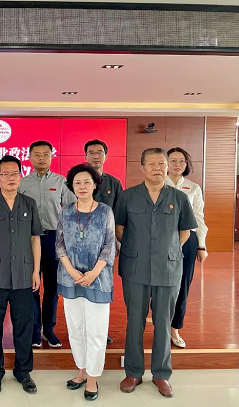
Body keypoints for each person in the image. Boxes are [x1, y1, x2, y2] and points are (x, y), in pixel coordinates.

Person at [115, 148, 196, 398]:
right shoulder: (128, 196)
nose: (157, 168)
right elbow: (119, 229)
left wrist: (167, 251)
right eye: (151, 163)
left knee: (163, 323)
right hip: (135, 269)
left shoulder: (179, 197)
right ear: (142, 168)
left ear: (167, 167)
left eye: (161, 163)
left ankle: (161, 374)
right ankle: (133, 372)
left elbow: (185, 232)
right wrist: (137, 250)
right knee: (134, 322)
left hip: (168, 270)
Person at [0, 155, 41, 395]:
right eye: (6, 174)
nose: (11, 178)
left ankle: (23, 371)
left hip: (24, 274)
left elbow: (35, 239)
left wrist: (36, 271)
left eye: (15, 173)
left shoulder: (29, 204)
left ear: (20, 176)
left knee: (24, 325)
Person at [56, 163, 116, 401]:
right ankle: (81, 370)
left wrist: (93, 273)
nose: (82, 187)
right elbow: (59, 244)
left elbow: (110, 245)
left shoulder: (105, 211)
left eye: (86, 182)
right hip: (70, 278)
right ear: (72, 186)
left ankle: (93, 377)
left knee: (97, 331)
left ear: (95, 185)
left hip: (98, 279)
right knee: (75, 328)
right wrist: (71, 271)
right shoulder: (65, 212)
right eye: (77, 183)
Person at [19, 140, 77, 348]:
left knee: (52, 287)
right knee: (31, 287)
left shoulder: (61, 182)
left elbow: (73, 209)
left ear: (52, 157)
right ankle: (34, 330)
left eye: (46, 154)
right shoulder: (22, 183)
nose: (41, 158)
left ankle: (48, 330)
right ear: (29, 157)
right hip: (28, 239)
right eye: (37, 154)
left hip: (54, 238)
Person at [165, 147, 208, 348]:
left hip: (188, 240)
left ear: (187, 164)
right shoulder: (158, 184)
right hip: (161, 240)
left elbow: (199, 217)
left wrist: (201, 245)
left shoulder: (193, 188)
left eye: (181, 161)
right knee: (160, 284)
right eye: (173, 160)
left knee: (183, 284)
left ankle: (175, 328)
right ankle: (161, 324)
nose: (177, 164)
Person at [84, 138, 123, 345]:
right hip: (80, 245)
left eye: (99, 152)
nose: (96, 156)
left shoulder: (114, 183)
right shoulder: (78, 179)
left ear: (106, 156)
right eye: (91, 152)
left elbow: (119, 214)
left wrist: (118, 240)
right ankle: (82, 330)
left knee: (103, 288)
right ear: (85, 156)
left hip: (105, 245)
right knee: (81, 287)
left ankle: (100, 330)